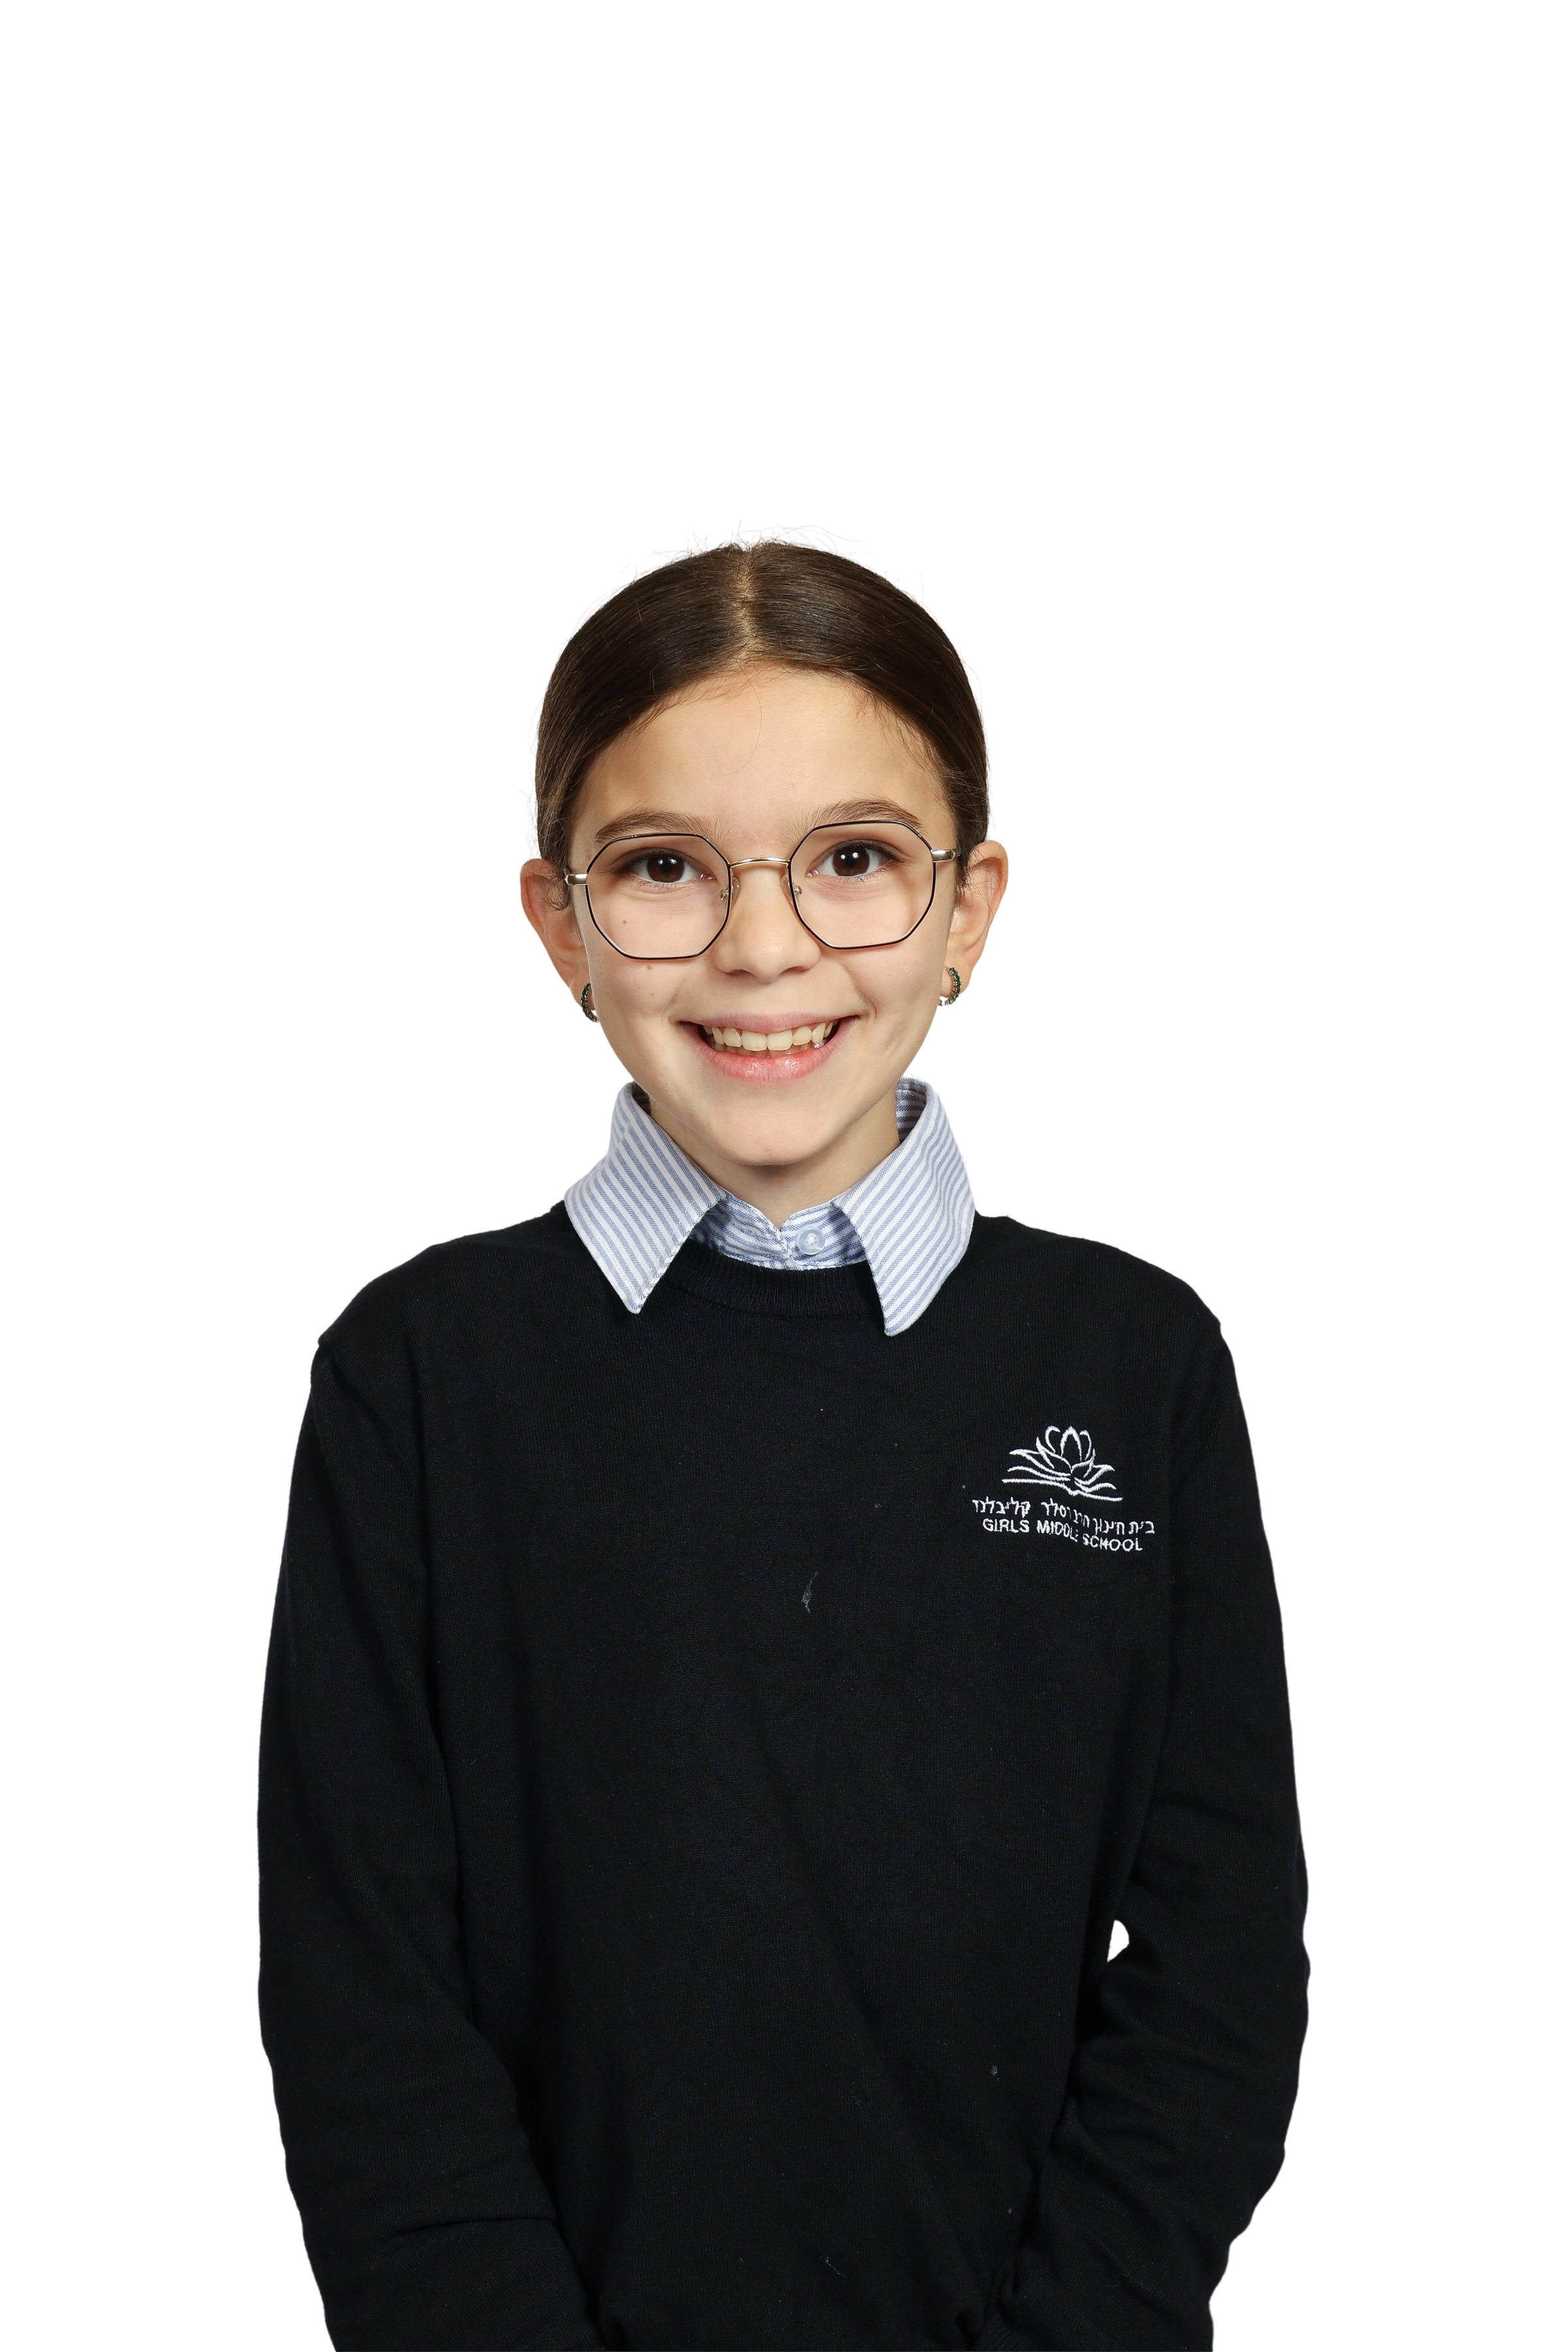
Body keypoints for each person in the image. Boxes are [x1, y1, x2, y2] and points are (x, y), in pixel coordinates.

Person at [256, 523, 1309, 2352]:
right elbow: (363, 2008)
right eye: (665, 866)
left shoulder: (1141, 1364)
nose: (764, 947)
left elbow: (1217, 1988)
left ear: (971, 908)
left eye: (855, 861)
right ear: (558, 919)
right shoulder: (414, 1378)